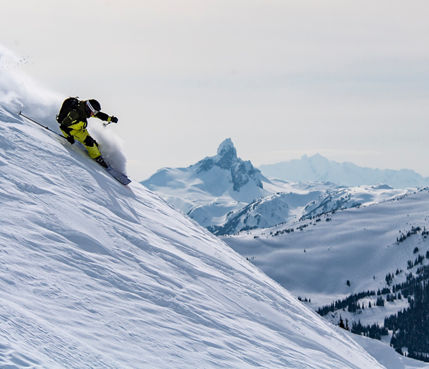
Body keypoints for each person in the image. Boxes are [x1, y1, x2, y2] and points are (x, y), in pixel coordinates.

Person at [58, 98, 118, 168]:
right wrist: (69, 137)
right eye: (93, 112)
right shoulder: (75, 113)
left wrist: (110, 119)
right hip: (72, 131)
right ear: (88, 108)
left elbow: (99, 115)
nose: (93, 114)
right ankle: (97, 157)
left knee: (95, 144)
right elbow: (63, 126)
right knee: (89, 142)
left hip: (80, 130)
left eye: (94, 112)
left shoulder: (85, 110)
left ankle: (100, 154)